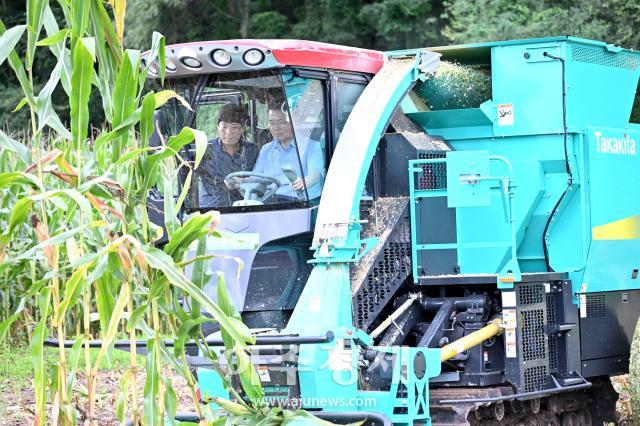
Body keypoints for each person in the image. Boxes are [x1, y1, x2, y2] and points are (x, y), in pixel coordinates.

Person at [252, 107, 325, 202]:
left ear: (294, 123)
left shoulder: (311, 146)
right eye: (272, 123)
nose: (276, 128)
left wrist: (304, 182)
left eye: (281, 122)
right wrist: (240, 181)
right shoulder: (266, 150)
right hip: (271, 202)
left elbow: (315, 175)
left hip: (301, 202)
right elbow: (255, 178)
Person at [197, 104, 259, 207]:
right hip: (211, 210)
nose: (228, 132)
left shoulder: (251, 150)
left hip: (243, 207)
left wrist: (246, 181)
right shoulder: (205, 149)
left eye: (234, 127)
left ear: (242, 128)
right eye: (224, 126)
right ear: (218, 126)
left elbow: (259, 176)